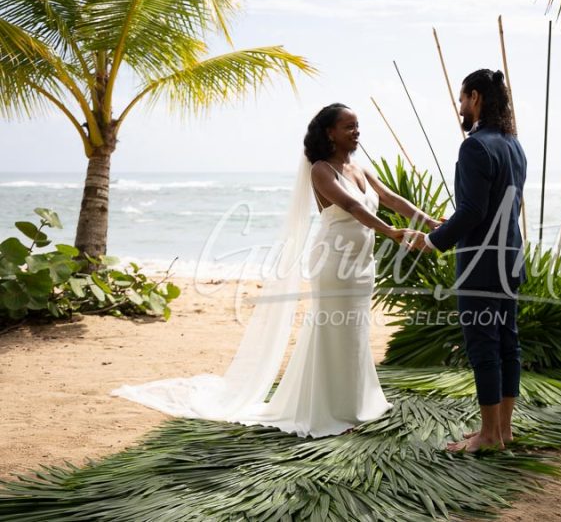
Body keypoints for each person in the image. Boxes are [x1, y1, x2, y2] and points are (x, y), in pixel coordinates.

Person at [113, 103, 439, 438]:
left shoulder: (360, 168)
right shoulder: (321, 170)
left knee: (354, 332)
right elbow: (353, 206)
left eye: (358, 126)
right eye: (348, 127)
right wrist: (393, 233)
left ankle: (357, 402)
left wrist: (432, 223)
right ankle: (331, 410)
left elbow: (391, 198)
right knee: (334, 332)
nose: (356, 132)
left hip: (362, 265)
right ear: (329, 132)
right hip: (335, 264)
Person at [410, 69, 527, 452]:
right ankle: (504, 430)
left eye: (462, 99)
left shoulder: (474, 146)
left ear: (475, 98)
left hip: (481, 263)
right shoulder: (514, 144)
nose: (460, 107)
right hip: (510, 258)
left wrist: (432, 239)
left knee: (483, 347)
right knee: (507, 343)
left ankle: (489, 436)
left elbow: (473, 210)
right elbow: (505, 207)